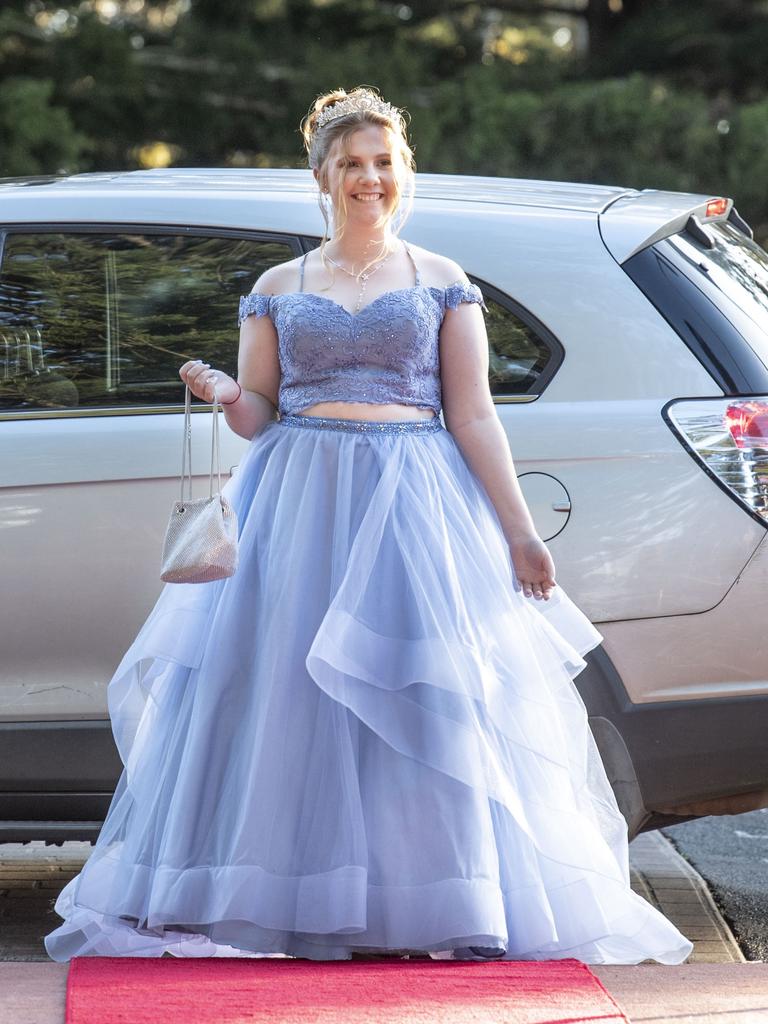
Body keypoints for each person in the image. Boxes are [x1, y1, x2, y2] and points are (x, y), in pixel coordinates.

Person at [44, 85, 694, 965]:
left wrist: (519, 531)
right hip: (299, 505)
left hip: (416, 506)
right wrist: (227, 394)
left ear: (402, 173)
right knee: (288, 699)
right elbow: (257, 417)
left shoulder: (441, 281)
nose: (369, 177)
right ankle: (289, 896)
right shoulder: (277, 286)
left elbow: (473, 417)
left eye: (383, 162)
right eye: (351, 162)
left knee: (419, 697)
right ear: (323, 175)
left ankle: (430, 901)